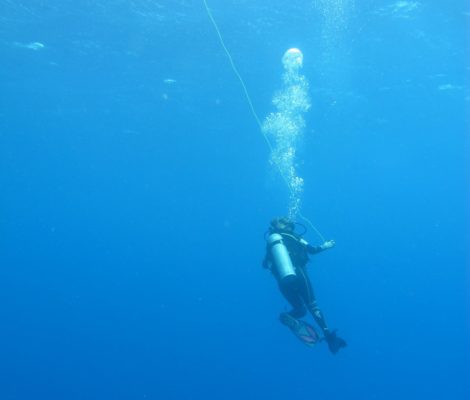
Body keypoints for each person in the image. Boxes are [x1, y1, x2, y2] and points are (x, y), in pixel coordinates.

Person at [263, 216, 347, 354]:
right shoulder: (294, 236)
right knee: (312, 306)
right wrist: (326, 245)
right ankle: (329, 337)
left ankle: (288, 316)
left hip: (283, 281)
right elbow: (312, 250)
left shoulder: (271, 243)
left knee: (300, 310)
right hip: (299, 273)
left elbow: (265, 265)